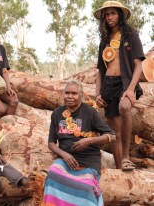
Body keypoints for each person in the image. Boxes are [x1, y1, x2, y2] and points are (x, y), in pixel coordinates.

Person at [42, 80, 115, 206]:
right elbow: (51, 143)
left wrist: (89, 141)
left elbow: (112, 136)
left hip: (88, 161)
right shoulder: (57, 113)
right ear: (63, 94)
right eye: (67, 93)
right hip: (65, 160)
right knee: (53, 173)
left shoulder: (90, 112)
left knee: (85, 186)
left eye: (74, 93)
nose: (70, 96)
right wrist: (64, 155)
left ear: (81, 96)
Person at [94, 1, 145, 170]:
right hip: (107, 86)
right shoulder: (104, 39)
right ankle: (119, 170)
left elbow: (138, 65)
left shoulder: (130, 34)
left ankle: (126, 157)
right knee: (113, 131)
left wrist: (130, 89)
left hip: (125, 83)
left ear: (120, 15)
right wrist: (97, 94)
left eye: (113, 13)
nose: (110, 17)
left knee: (124, 107)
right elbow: (100, 70)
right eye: (107, 15)